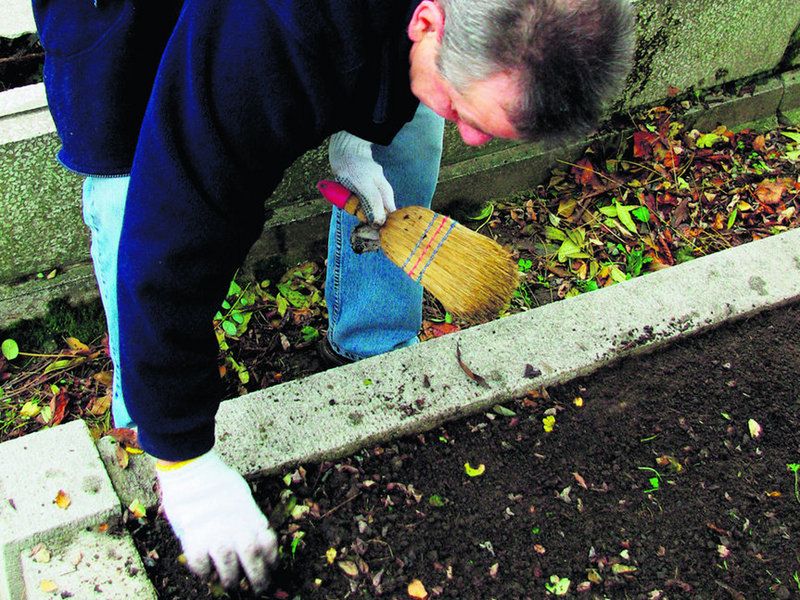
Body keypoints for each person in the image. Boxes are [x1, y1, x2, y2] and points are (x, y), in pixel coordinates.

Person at [33, 0, 635, 593]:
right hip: (127, 18)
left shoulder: (451, 29)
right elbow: (177, 228)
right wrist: (186, 459)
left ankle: (376, 345)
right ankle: (149, 436)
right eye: (464, 111)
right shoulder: (273, 33)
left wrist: (360, 131)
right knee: (134, 181)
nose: (473, 140)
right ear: (425, 21)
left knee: (415, 115)